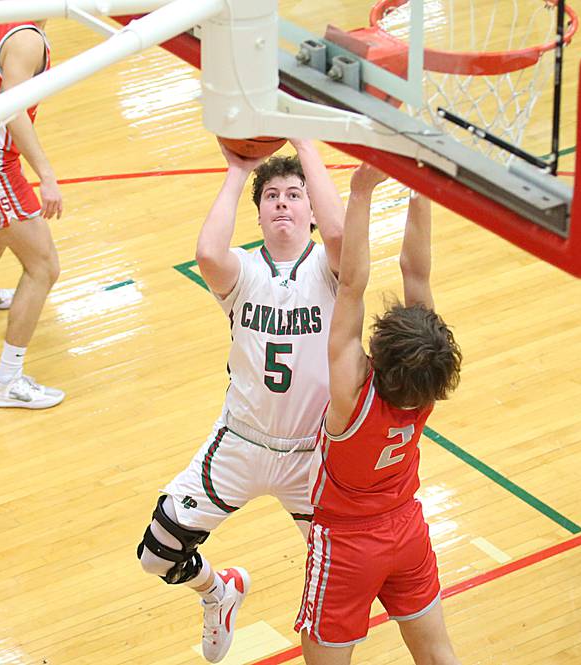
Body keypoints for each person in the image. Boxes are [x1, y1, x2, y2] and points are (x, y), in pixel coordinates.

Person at [136, 139, 344, 663]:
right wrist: (237, 170)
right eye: (271, 195)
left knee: (342, 571)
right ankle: (217, 592)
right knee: (156, 557)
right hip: (240, 443)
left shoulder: (329, 270)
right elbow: (207, 252)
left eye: (294, 195)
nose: (281, 203)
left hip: (312, 456)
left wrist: (304, 142)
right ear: (257, 213)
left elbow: (340, 232)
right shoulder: (242, 272)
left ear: (311, 211)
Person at [294, 165, 462, 664]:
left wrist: (361, 191)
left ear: (380, 348)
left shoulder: (353, 393)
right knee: (438, 656)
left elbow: (351, 286)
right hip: (408, 529)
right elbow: (418, 271)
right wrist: (423, 187)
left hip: (346, 545)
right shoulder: (427, 388)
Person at [0, 20, 64, 409]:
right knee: (44, 266)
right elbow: (13, 111)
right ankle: (7, 381)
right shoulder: (27, 40)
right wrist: (46, 176)